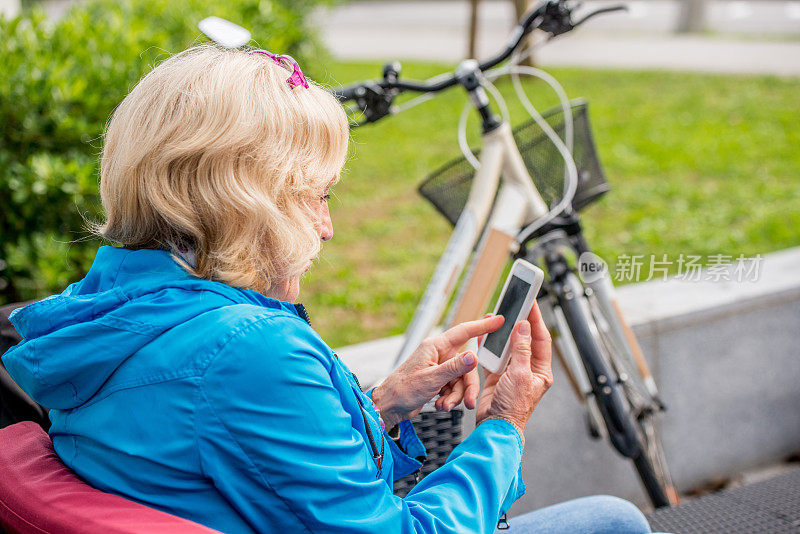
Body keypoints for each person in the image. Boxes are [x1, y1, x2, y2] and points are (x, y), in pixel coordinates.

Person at [2, 45, 656, 533]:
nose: (328, 225)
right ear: (250, 205)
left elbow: (229, 452)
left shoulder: (107, 308)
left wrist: (387, 403)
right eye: (316, 196)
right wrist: (503, 427)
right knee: (613, 518)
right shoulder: (250, 354)